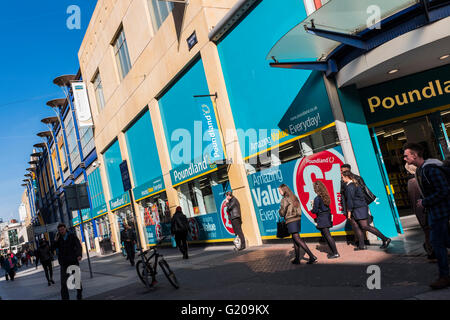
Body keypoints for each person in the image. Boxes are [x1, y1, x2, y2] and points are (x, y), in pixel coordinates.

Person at [403, 143, 450, 290]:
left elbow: (444, 190)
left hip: (441, 212)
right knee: (444, 242)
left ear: (415, 155)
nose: (404, 158)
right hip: (435, 213)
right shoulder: (422, 170)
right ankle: (444, 275)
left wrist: (425, 201)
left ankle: (445, 276)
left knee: (438, 243)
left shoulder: (430, 169)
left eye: (406, 155)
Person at [342, 171, 391, 251]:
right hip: (359, 208)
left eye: (343, 177)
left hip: (358, 209)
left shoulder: (350, 186)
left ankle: (385, 239)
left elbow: (350, 200)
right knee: (357, 226)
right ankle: (362, 246)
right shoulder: (354, 184)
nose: (342, 179)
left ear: (347, 177)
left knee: (365, 226)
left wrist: (349, 212)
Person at [279, 184, 317, 264]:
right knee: (295, 239)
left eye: (280, 190)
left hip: (290, 220)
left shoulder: (284, 200)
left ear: (284, 190)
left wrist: (280, 211)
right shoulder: (294, 197)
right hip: (297, 219)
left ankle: (312, 256)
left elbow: (282, 213)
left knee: (297, 238)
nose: (279, 192)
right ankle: (297, 259)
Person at [340, 164, 375, 247]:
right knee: (355, 225)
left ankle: (365, 241)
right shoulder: (343, 180)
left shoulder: (357, 178)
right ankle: (360, 243)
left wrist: (358, 205)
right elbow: (343, 194)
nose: (341, 172)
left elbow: (363, 191)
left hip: (358, 206)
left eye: (342, 170)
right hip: (351, 206)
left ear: (347, 170)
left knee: (364, 225)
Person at [405, 163, 434, 259]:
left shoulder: (413, 181)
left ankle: (430, 249)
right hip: (423, 211)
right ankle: (430, 250)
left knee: (429, 231)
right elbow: (418, 200)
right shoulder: (414, 182)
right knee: (428, 230)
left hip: (422, 210)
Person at [52, 223, 83, 300]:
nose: (61, 231)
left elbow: (78, 245)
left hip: (73, 261)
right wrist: (55, 240)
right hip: (64, 263)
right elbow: (52, 249)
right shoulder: (58, 239)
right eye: (60, 230)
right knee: (63, 283)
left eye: (62, 229)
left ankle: (79, 294)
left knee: (77, 280)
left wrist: (79, 255)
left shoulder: (72, 236)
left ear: (65, 228)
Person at [311, 181, 340, 259]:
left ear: (316, 189)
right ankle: (333, 252)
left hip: (322, 218)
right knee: (327, 235)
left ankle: (335, 253)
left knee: (327, 236)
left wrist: (312, 207)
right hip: (327, 216)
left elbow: (315, 210)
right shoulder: (326, 196)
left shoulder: (317, 199)